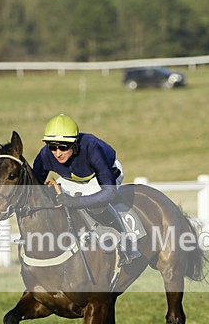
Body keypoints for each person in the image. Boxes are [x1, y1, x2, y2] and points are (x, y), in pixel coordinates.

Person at [31, 113, 141, 266]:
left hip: (105, 174)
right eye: (52, 146)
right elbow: (32, 189)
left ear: (75, 144)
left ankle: (126, 244)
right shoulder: (45, 155)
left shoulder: (92, 148)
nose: (57, 153)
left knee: (94, 203)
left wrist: (75, 201)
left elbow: (109, 193)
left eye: (63, 147)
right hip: (74, 178)